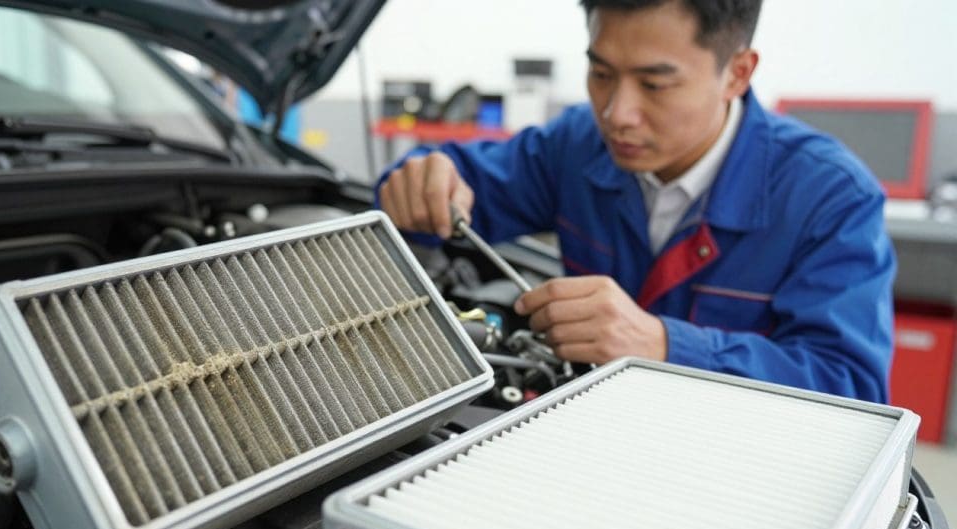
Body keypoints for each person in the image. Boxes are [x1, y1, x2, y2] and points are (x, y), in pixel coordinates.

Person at [376, 0, 896, 403]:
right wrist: (422, 180)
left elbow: (851, 386)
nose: (617, 113)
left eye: (654, 84)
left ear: (737, 72)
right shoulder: (577, 147)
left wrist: (664, 347)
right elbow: (454, 186)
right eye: (601, 75)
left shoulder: (829, 199)